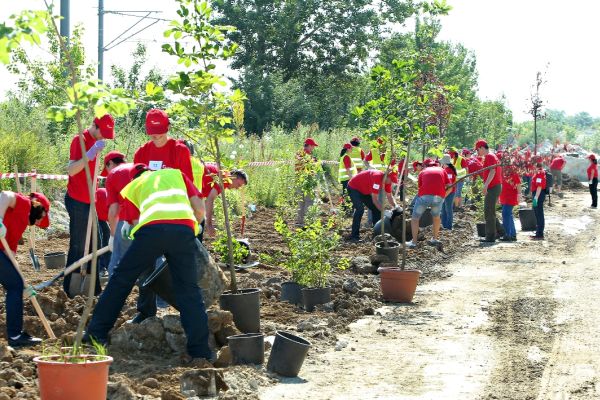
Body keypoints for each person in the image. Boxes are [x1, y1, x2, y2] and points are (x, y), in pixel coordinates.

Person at [84, 166, 214, 363]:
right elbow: (199, 208)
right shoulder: (176, 174)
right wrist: (189, 232)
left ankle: (96, 334)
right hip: (183, 231)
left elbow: (135, 221)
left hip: (152, 232)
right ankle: (200, 351)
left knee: (121, 279)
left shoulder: (135, 185)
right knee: (189, 290)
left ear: (134, 176)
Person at [64, 114, 115, 298]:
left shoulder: (97, 142)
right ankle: (70, 289)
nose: (104, 137)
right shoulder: (80, 139)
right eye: (103, 133)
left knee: (96, 243)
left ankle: (92, 290)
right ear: (95, 125)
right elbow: (71, 170)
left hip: (90, 200)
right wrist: (91, 153)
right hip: (77, 201)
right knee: (78, 246)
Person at [0, 191, 51, 347]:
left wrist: (22, 282)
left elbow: (11, 254)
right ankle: (15, 336)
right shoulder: (25, 204)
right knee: (14, 286)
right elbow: (5, 195)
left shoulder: (21, 223)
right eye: (41, 217)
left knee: (16, 284)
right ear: (38, 206)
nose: (38, 222)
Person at [101, 151, 135, 277]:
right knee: (152, 260)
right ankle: (155, 296)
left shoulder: (113, 174)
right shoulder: (139, 167)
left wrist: (113, 236)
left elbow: (113, 210)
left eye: (107, 169)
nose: (107, 173)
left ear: (110, 163)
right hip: (149, 220)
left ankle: (112, 294)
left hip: (128, 220)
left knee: (117, 259)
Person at [134, 109, 193, 179]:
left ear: (168, 127)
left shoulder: (180, 151)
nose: (157, 135)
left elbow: (187, 182)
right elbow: (137, 183)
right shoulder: (141, 153)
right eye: (153, 130)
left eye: (160, 130)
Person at [346, 169, 398, 242]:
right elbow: (375, 200)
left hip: (364, 190)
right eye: (391, 180)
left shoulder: (387, 182)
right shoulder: (377, 178)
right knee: (360, 209)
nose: (391, 182)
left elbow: (389, 196)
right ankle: (354, 236)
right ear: (386, 176)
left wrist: (396, 206)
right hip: (354, 187)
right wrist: (384, 212)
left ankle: (377, 234)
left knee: (376, 209)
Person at [406, 162, 449, 248]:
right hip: (438, 197)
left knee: (415, 219)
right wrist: (443, 196)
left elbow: (421, 187)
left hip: (424, 197)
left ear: (426, 166)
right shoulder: (442, 170)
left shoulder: (423, 172)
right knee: (436, 217)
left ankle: (414, 243)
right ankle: (435, 239)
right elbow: (449, 186)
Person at [199, 164, 248, 239]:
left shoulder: (223, 174)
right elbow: (210, 199)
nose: (237, 188)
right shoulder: (224, 179)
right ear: (234, 177)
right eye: (238, 184)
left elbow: (206, 201)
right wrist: (209, 224)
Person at [476, 139, 502, 243]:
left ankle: (490, 237)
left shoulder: (490, 156)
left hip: (493, 187)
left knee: (488, 212)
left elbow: (493, 170)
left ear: (482, 147)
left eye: (478, 150)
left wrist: (485, 185)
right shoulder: (491, 156)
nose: (478, 153)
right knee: (490, 211)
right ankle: (500, 231)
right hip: (495, 187)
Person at [295, 138, 321, 227]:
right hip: (307, 181)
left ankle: (299, 222)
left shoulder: (299, 153)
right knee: (309, 201)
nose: (313, 148)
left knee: (301, 202)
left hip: (299, 180)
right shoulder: (305, 155)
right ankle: (307, 223)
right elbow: (307, 164)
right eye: (313, 146)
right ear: (309, 145)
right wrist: (314, 162)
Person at [499, 169, 521, 241]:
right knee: (508, 215)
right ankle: (512, 234)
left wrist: (519, 195)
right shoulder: (501, 172)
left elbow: (518, 184)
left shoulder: (513, 172)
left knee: (505, 214)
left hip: (510, 197)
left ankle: (507, 234)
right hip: (503, 197)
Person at [95, 187, 111, 276]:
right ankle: (100, 268)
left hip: (101, 216)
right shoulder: (108, 201)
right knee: (99, 242)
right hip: (93, 217)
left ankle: (108, 265)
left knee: (106, 239)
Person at [338, 143, 357, 214]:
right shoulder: (346, 157)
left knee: (345, 195)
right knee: (348, 195)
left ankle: (345, 210)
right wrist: (352, 180)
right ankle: (348, 211)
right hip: (347, 179)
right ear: (348, 149)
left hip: (345, 179)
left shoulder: (344, 156)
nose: (352, 149)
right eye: (351, 148)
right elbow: (348, 169)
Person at [439, 155, 457, 230]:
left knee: (448, 209)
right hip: (445, 192)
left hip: (449, 192)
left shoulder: (448, 171)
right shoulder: (447, 170)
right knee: (443, 209)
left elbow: (449, 185)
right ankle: (444, 225)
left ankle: (449, 226)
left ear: (444, 163)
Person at [530, 162, 547, 239]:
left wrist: (536, 198)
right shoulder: (538, 173)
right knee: (537, 213)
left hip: (538, 194)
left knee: (539, 213)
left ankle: (540, 233)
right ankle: (538, 232)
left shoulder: (540, 173)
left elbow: (539, 186)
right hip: (537, 194)